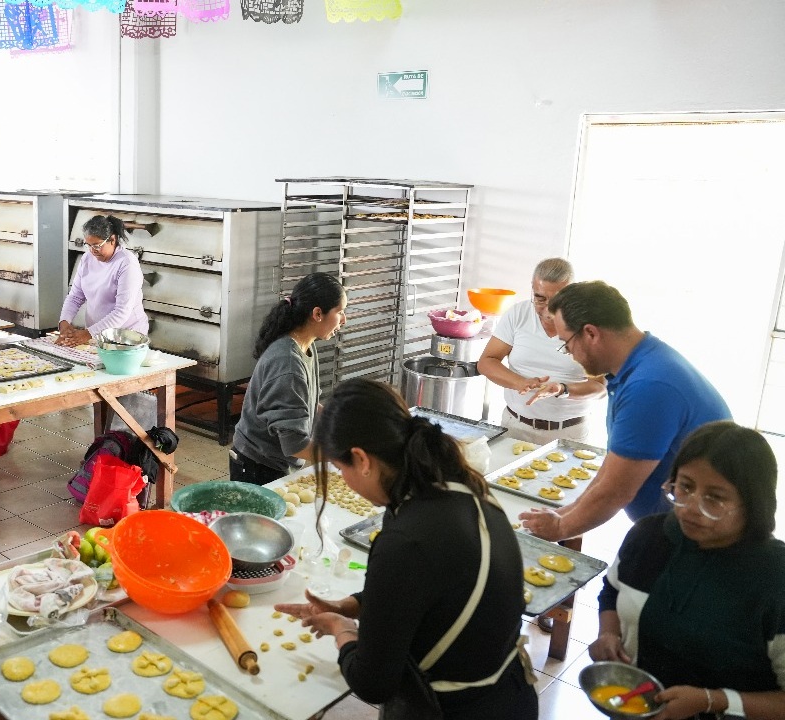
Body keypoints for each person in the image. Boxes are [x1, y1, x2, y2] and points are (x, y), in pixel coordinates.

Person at [275, 379, 537, 720]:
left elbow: (373, 683)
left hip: (456, 711)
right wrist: (353, 605)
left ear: (361, 459)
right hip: (510, 695)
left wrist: (343, 630)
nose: (346, 483)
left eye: (341, 469)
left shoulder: (405, 541)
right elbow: (432, 589)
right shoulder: (461, 488)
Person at [590, 421, 785, 720]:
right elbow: (611, 590)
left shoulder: (775, 577)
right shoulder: (649, 536)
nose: (690, 508)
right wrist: (608, 633)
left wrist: (711, 700)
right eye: (685, 487)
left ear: (753, 504)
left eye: (715, 498)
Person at [520, 281, 731, 542]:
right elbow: (613, 466)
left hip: (697, 537)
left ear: (591, 333)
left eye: (567, 343)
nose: (570, 355)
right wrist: (564, 513)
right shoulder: (638, 365)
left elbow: (616, 491)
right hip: (668, 528)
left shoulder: (650, 386)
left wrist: (560, 529)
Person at [229, 272, 346, 484]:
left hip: (273, 462)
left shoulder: (305, 346)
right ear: (318, 314)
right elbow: (295, 445)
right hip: (257, 466)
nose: (343, 320)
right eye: (340, 312)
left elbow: (305, 404)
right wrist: (344, 460)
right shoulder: (288, 363)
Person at [477, 258, 606, 444]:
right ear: (532, 288)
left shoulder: (590, 325)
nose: (547, 311)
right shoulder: (518, 314)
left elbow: (600, 388)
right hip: (516, 427)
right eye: (540, 298)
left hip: (569, 433)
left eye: (557, 301)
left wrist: (563, 389)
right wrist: (520, 382)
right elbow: (487, 361)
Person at [57, 215, 149, 347]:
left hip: (126, 338)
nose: (92, 251)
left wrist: (87, 334)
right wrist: (64, 323)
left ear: (112, 239)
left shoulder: (127, 264)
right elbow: (75, 297)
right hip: (97, 335)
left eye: (97, 245)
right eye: (88, 245)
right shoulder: (87, 258)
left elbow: (121, 312)